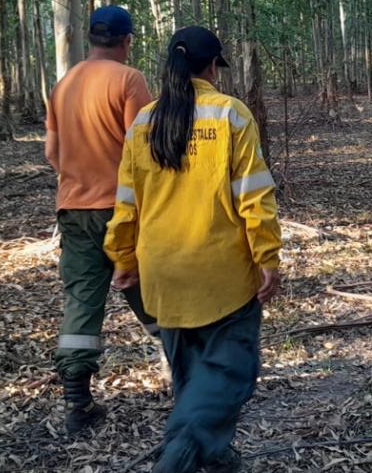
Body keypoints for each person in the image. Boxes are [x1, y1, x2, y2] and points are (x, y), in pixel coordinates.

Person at [104, 26, 281, 473]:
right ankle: (179, 456)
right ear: (210, 67)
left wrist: (124, 258)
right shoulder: (230, 116)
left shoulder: (144, 123)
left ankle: (216, 456)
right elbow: (254, 196)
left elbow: (126, 201)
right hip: (222, 274)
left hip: (162, 273)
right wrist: (267, 257)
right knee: (229, 373)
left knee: (189, 375)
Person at [44, 5, 157, 435]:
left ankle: (77, 400)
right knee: (151, 287)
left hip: (74, 209)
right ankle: (185, 372)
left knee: (82, 300)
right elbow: (142, 149)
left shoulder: (64, 84)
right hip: (123, 209)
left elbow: (52, 154)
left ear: (91, 39)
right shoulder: (129, 80)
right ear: (127, 40)